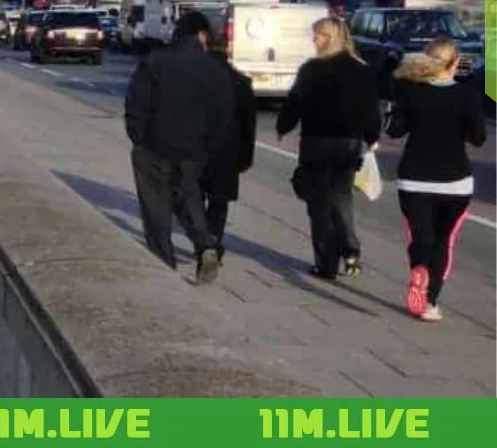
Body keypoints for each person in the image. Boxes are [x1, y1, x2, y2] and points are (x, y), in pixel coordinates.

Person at [123, 10, 234, 283]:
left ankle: (164, 264)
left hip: (153, 146)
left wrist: (138, 137)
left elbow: (136, 103)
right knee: (190, 197)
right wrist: (210, 146)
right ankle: (205, 246)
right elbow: (223, 115)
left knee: (155, 207)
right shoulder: (215, 70)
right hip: (194, 150)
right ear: (201, 36)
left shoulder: (155, 61)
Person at [387, 39, 488, 322]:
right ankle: (430, 301)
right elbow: (479, 138)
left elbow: (394, 130)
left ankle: (419, 266)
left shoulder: (411, 91)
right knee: (445, 241)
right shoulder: (467, 95)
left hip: (415, 179)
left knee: (420, 237)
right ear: (456, 63)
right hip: (455, 181)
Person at [277, 17, 381, 281]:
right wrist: (372, 137)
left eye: (319, 35)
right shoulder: (361, 69)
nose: (314, 40)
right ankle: (351, 250)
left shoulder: (312, 69)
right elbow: (370, 107)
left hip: (316, 142)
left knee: (319, 203)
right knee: (341, 196)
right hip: (348, 143)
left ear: (331, 37)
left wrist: (283, 126)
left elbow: (295, 102)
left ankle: (326, 264)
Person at [203, 34, 258, 261]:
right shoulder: (241, 83)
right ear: (228, 50)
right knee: (219, 201)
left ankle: (203, 237)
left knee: (191, 196)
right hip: (227, 152)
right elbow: (249, 126)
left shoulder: (194, 78)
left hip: (194, 148)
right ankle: (213, 239)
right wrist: (245, 158)